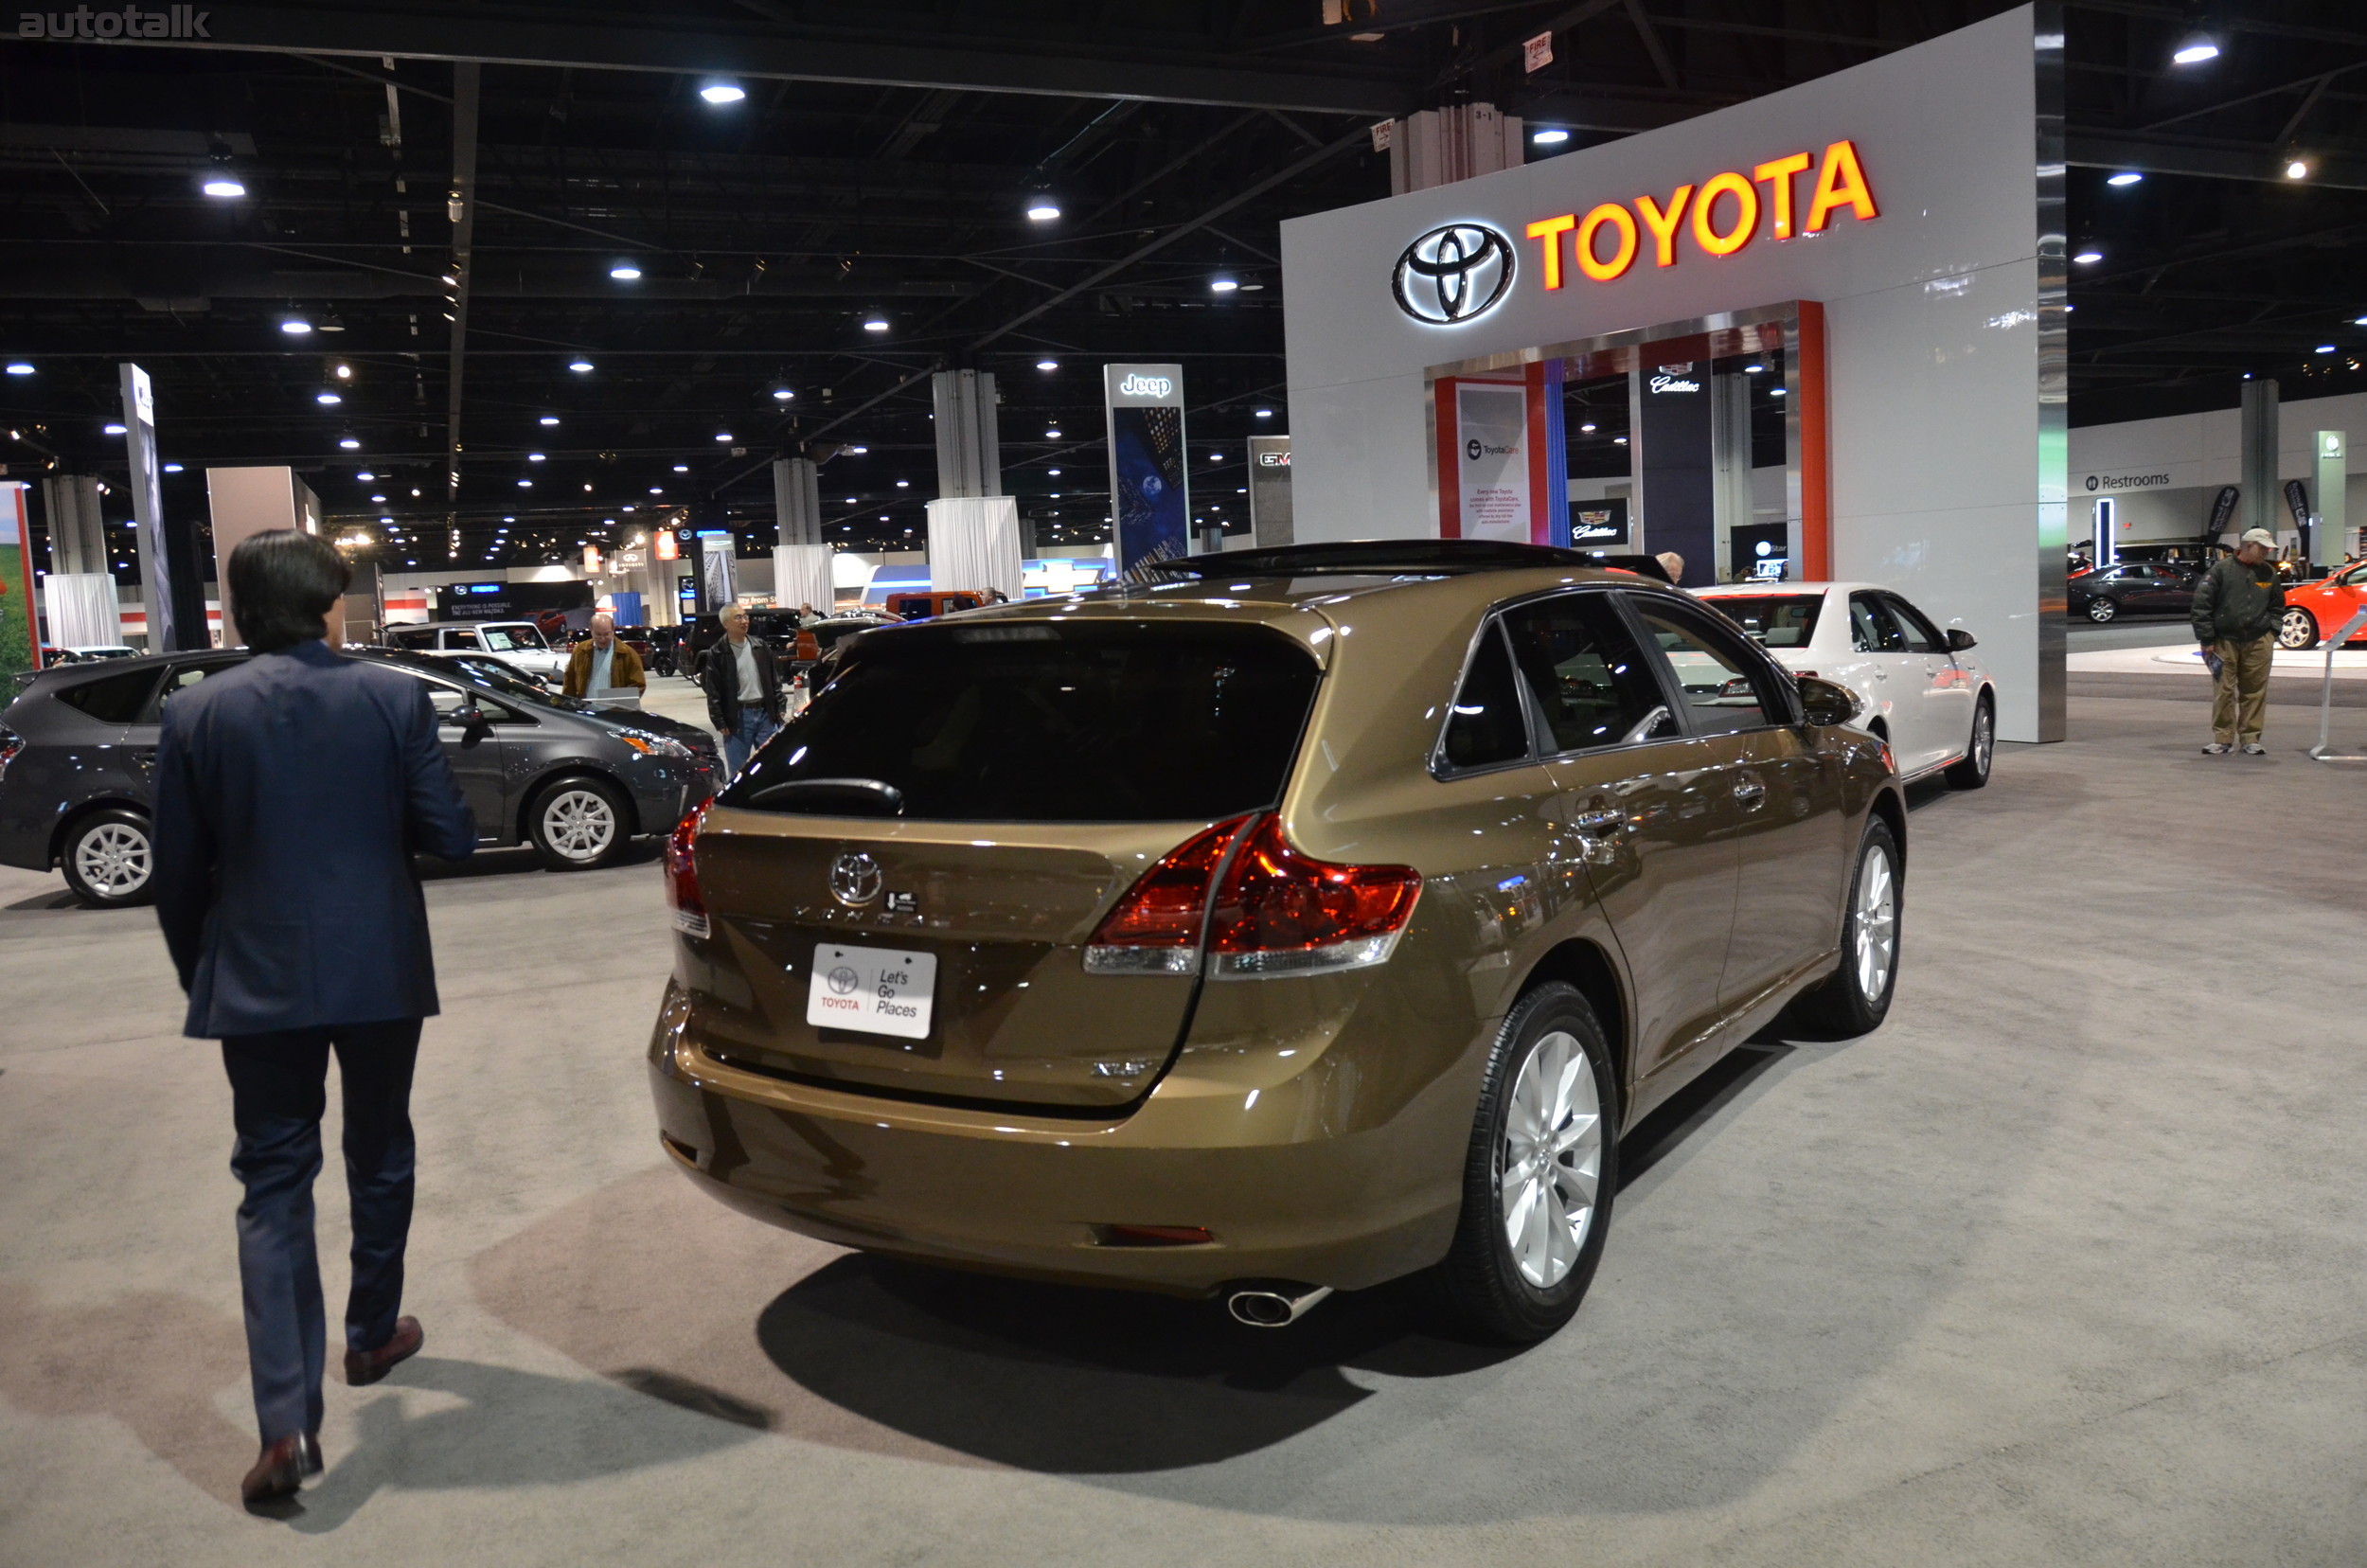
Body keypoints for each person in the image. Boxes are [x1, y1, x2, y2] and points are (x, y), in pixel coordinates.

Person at [151, 529, 475, 1506]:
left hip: (255, 977)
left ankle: (285, 1424)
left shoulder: (196, 713)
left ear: (239, 610)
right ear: (330, 603)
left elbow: (174, 876)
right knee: (379, 1148)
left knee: (273, 1183)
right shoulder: (391, 696)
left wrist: (199, 974)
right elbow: (450, 836)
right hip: (378, 964)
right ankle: (372, 1336)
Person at [2191, 526, 2284, 756]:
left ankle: (2250, 738)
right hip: (2224, 641)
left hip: (2259, 640)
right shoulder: (2220, 571)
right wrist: (2207, 639)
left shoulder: (2268, 574)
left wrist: (2273, 632)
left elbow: (2277, 606)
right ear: (2248, 546)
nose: (2266, 553)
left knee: (2255, 691)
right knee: (2224, 690)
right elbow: (2201, 607)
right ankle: (2223, 738)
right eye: (2263, 548)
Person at [698, 602, 784, 773]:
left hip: (765, 715)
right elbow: (713, 690)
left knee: (773, 766)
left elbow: (774, 680)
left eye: (745, 616)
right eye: (738, 617)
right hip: (737, 719)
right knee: (739, 771)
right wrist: (719, 719)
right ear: (725, 624)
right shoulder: (718, 652)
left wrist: (780, 706)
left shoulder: (759, 646)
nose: (744, 621)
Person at [561, 612, 645, 698]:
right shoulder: (580, 651)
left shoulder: (627, 654)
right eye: (598, 634)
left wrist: (621, 702)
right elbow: (570, 680)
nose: (602, 639)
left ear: (613, 631)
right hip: (586, 709)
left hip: (615, 710)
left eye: (606, 634)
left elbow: (638, 685)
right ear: (591, 631)